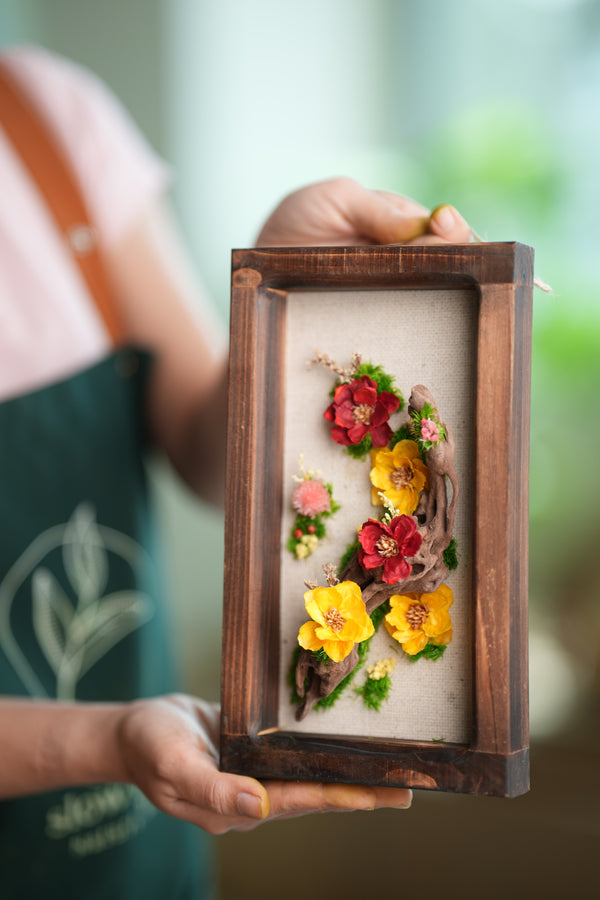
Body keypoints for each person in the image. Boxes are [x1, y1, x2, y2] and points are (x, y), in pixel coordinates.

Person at [0, 44, 472, 899]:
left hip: (138, 862)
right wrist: (102, 743)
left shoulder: (43, 117)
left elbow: (207, 452)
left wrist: (277, 291)